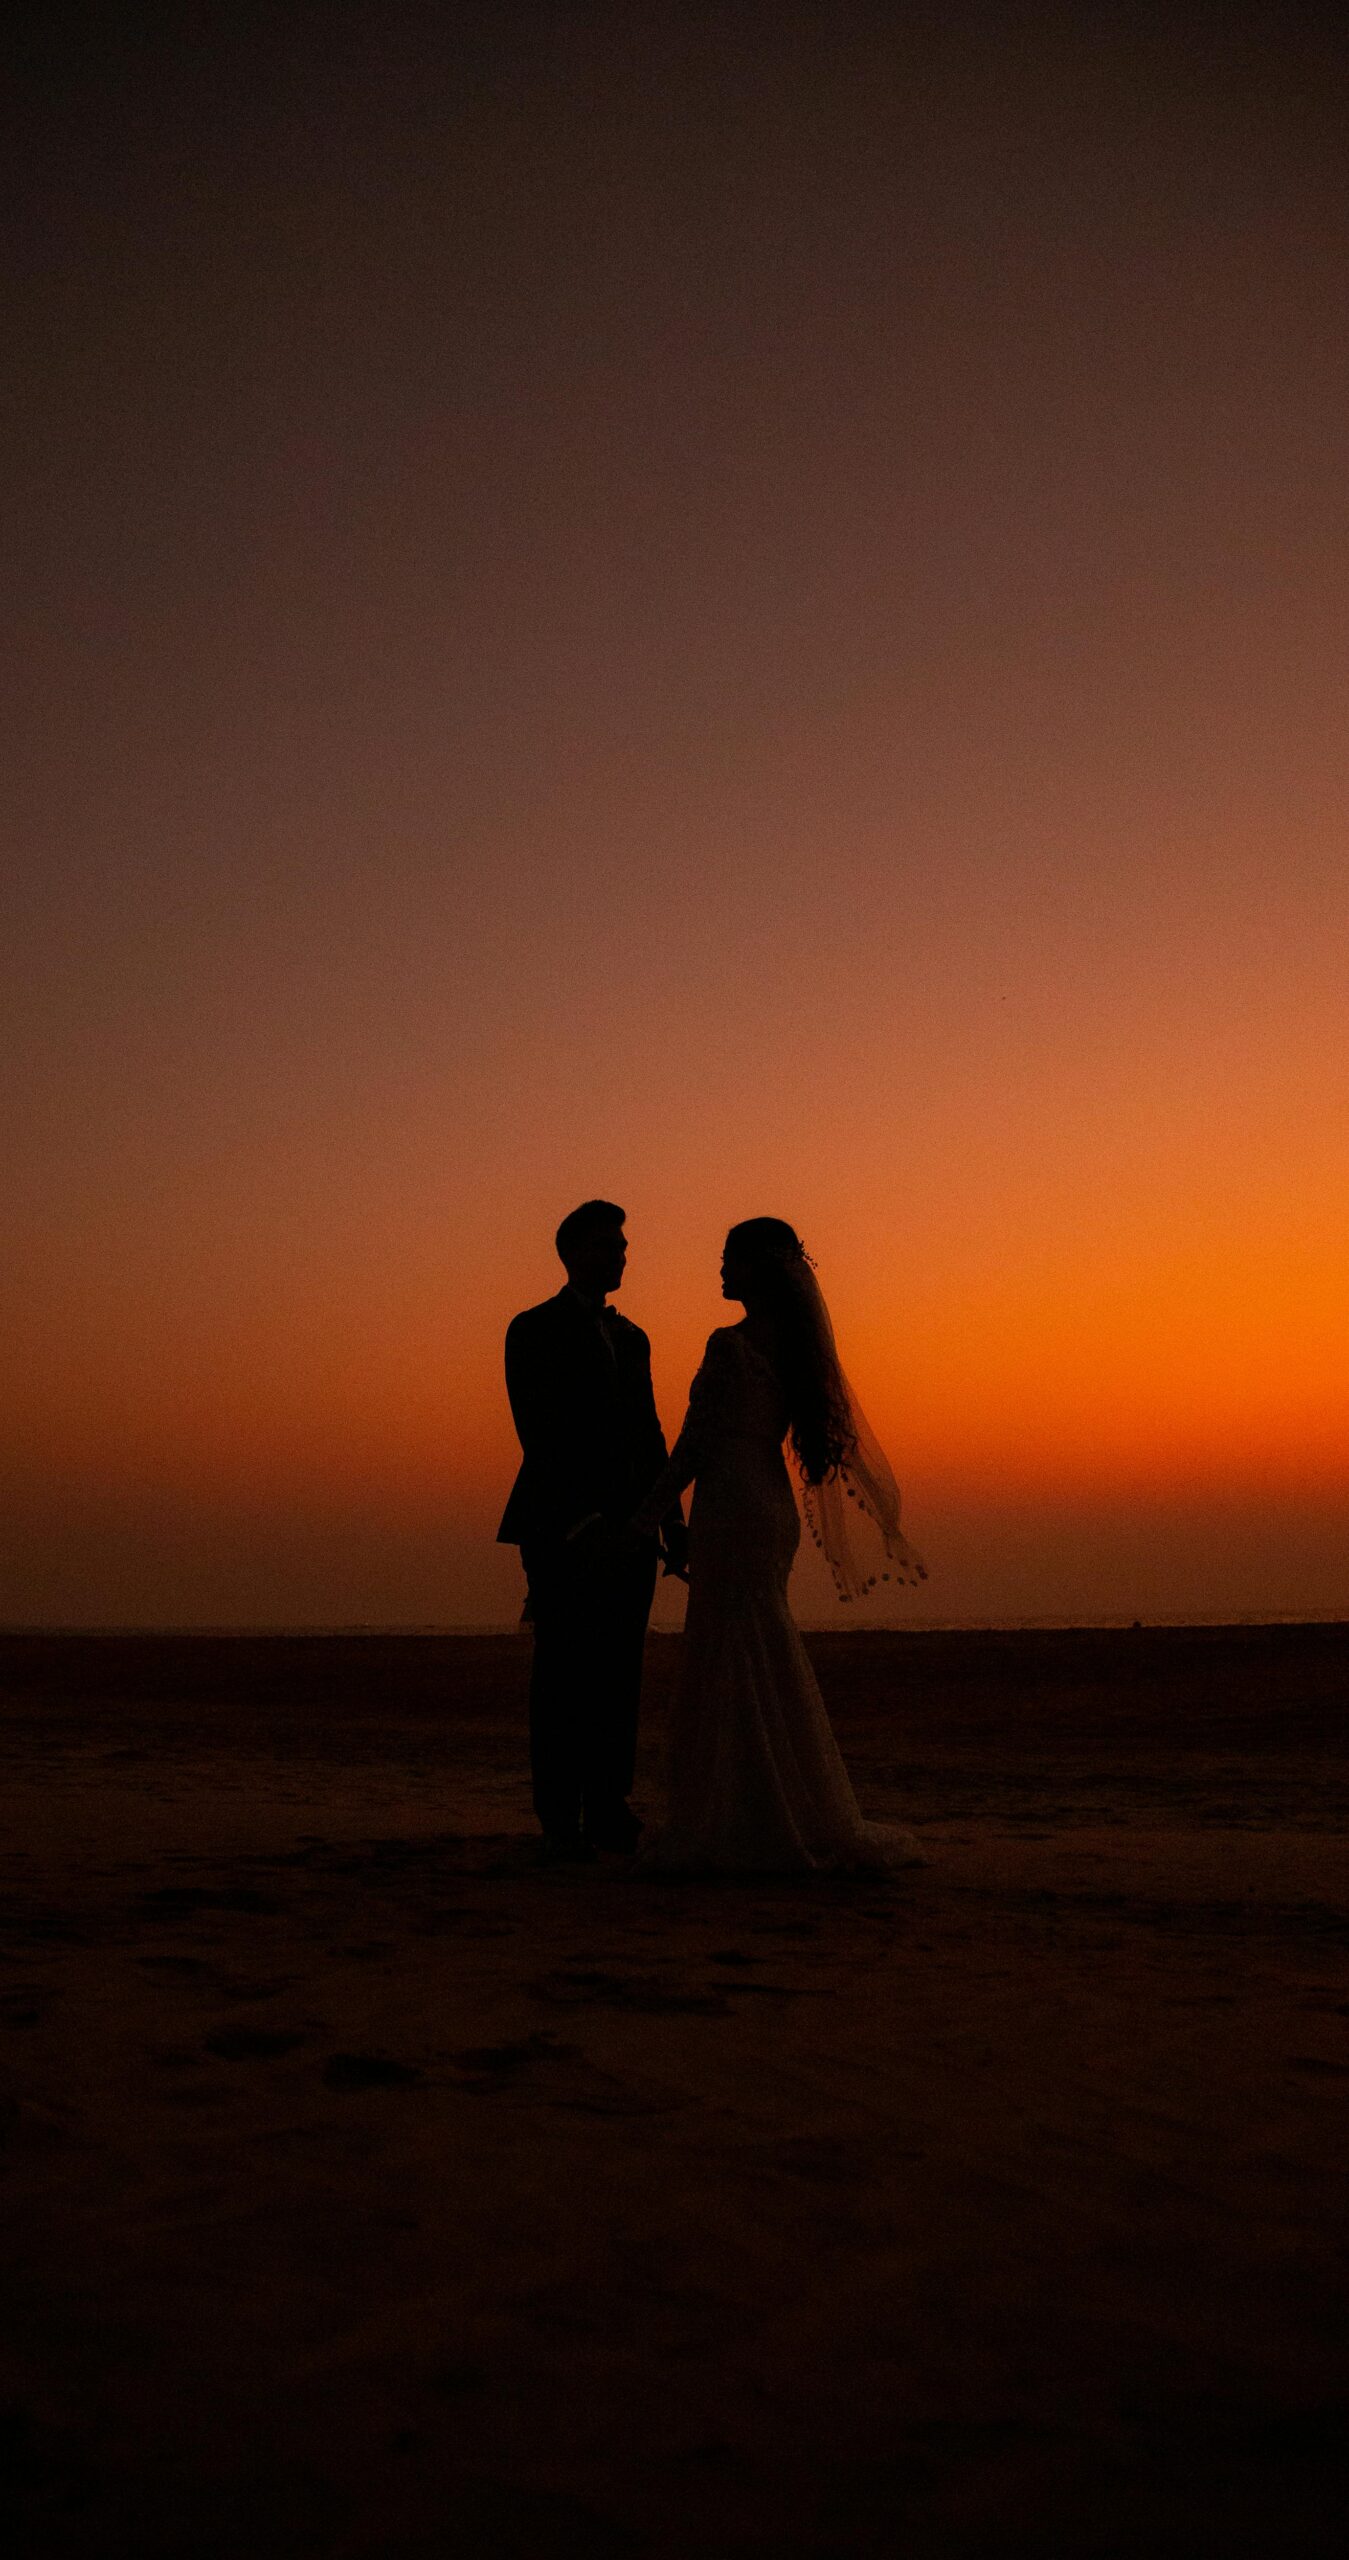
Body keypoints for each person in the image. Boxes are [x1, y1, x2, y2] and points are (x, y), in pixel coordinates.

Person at [628, 1218, 927, 1874]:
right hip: (767, 1504)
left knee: (728, 1650)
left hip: (733, 1502)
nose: (720, 1273)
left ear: (758, 1269)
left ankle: (737, 1815)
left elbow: (696, 1440)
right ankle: (780, 1804)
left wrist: (649, 1510)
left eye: (729, 1261)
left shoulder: (729, 1345)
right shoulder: (796, 1347)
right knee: (759, 1644)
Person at [498, 1200, 687, 1860]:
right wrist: (583, 1521)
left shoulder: (633, 1338)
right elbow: (538, 1432)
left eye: (622, 1244)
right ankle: (558, 1814)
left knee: (618, 1673)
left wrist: (672, 1524)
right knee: (562, 1674)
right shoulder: (532, 1330)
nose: (621, 1254)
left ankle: (608, 1802)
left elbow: (652, 1432)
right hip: (562, 1530)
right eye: (608, 1244)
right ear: (572, 1252)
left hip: (633, 1533)